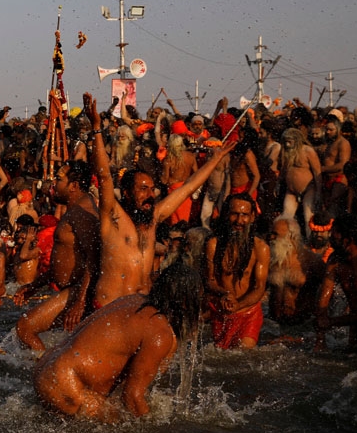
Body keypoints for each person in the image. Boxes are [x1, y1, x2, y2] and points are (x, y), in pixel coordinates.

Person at [86, 93, 235, 308]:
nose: (150, 194)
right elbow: (103, 176)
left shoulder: (154, 216)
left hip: (139, 307)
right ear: (127, 193)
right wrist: (97, 130)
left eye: (152, 189)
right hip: (109, 308)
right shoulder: (113, 216)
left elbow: (189, 187)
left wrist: (215, 160)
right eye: (143, 189)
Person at [33, 259, 202, 422]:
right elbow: (132, 397)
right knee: (122, 422)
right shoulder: (159, 332)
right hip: (66, 386)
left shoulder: (134, 300)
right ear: (186, 302)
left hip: (45, 368)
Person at [16, 160, 100, 351]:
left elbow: (94, 258)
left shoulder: (83, 213)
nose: (54, 184)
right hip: (70, 291)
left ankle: (45, 373)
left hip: (77, 292)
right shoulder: (76, 209)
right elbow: (65, 261)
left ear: (74, 186)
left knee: (25, 327)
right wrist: (34, 286)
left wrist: (80, 301)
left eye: (59, 179)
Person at [203, 193, 270, 349]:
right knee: (221, 358)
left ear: (253, 217)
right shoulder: (213, 244)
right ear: (226, 215)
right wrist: (224, 294)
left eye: (244, 215)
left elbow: (259, 288)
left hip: (249, 312)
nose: (239, 221)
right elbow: (209, 280)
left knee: (243, 355)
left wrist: (238, 305)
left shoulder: (261, 248)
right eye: (235, 214)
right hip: (221, 312)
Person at [314, 213, 357, 352]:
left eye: (334, 234)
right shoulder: (335, 261)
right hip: (356, 326)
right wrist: (320, 341)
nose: (330, 238)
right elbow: (322, 304)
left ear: (348, 240)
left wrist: (332, 322)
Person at [266, 216, 325, 325]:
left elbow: (330, 294)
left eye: (275, 234)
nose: (271, 238)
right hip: (273, 323)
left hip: (301, 326)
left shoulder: (312, 261)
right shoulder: (269, 260)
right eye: (271, 234)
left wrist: (320, 320)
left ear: (291, 237)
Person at [279, 128, 321, 234]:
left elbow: (317, 172)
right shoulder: (286, 151)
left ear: (297, 140)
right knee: (286, 217)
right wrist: (278, 184)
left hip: (309, 189)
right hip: (291, 191)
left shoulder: (308, 151)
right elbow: (283, 170)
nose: (287, 144)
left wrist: (318, 192)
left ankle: (312, 244)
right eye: (286, 141)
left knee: (308, 218)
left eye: (290, 141)